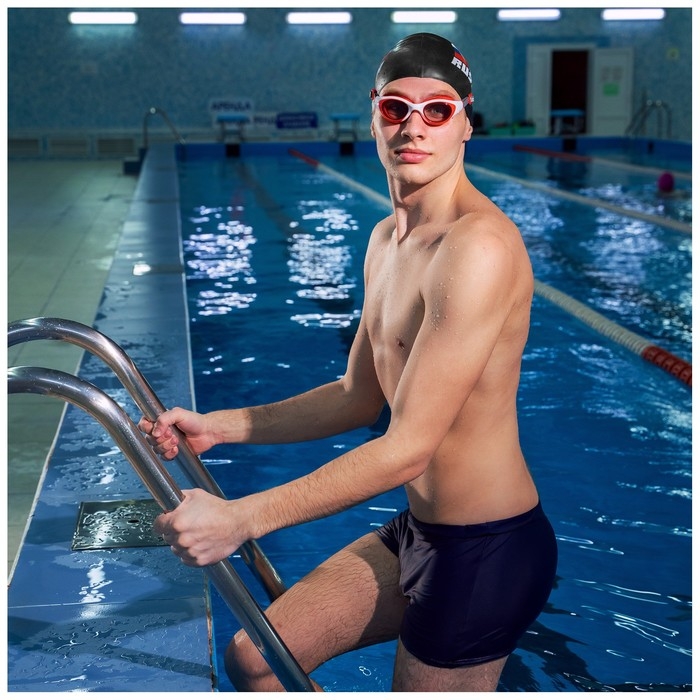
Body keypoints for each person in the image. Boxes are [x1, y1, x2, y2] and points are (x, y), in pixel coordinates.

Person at [141, 32, 557, 692]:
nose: (414, 127)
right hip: (418, 532)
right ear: (374, 114)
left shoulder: (477, 247)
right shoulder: (385, 240)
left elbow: (407, 449)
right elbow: (356, 396)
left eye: (437, 110)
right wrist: (220, 426)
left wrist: (242, 518)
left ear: (465, 124)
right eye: (396, 108)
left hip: (487, 550)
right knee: (257, 660)